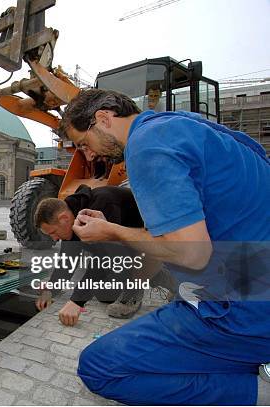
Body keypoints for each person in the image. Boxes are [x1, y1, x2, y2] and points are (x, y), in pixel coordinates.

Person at [61, 89, 270, 405]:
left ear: (103, 119)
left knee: (99, 367)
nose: (89, 155)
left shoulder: (145, 146)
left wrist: (112, 232)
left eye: (84, 143)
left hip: (242, 312)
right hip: (249, 283)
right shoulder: (185, 124)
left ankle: (255, 392)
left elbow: (192, 253)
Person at [34, 185, 171, 326]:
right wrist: (50, 290)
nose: (55, 239)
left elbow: (104, 259)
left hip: (149, 243)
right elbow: (67, 261)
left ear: (63, 218)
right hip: (120, 250)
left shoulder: (102, 206)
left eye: (53, 232)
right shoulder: (71, 214)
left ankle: (143, 285)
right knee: (104, 296)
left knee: (118, 264)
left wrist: (76, 302)